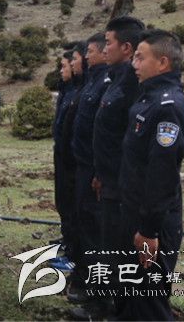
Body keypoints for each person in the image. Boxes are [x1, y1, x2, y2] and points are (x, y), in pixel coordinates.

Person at [119, 30, 184, 321]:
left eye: (140, 57)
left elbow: (162, 174)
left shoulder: (167, 107)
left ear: (162, 63)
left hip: (153, 223)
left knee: (149, 303)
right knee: (130, 296)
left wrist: (149, 231)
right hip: (134, 212)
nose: (133, 64)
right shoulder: (148, 97)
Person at [92, 16, 145, 315]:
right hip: (109, 180)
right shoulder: (116, 79)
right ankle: (110, 305)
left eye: (108, 42)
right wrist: (100, 173)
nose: (105, 48)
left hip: (123, 185)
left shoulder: (133, 84)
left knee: (121, 253)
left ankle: (118, 309)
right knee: (110, 247)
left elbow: (130, 140)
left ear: (126, 48)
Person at [68, 33, 109, 317]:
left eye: (90, 52)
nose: (86, 57)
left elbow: (105, 134)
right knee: (87, 229)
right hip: (83, 166)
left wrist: (98, 171)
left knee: (97, 236)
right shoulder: (93, 82)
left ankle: (100, 299)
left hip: (95, 172)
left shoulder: (107, 83)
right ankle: (90, 288)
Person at [50, 50, 77, 272]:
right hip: (62, 152)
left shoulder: (79, 91)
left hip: (72, 157)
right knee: (63, 201)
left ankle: (73, 251)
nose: (62, 70)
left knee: (72, 204)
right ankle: (68, 239)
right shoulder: (67, 89)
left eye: (65, 65)